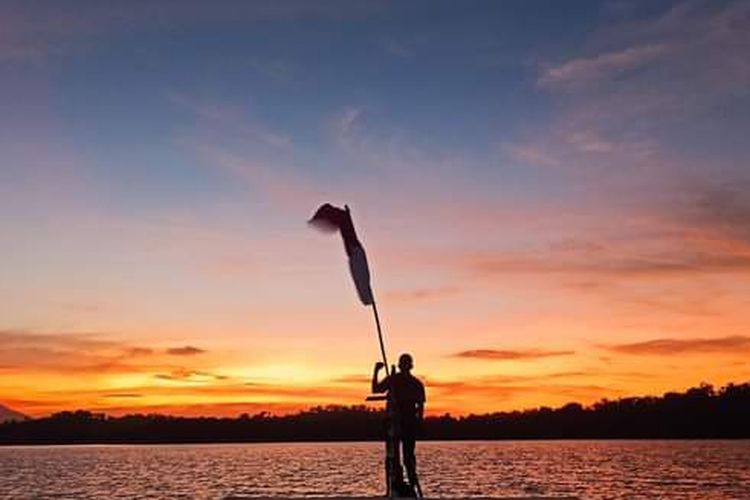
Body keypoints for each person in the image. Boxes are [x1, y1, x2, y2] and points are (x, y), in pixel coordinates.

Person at [372, 353, 426, 495]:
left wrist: (376, 371)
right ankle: (395, 486)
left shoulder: (412, 383)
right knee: (396, 457)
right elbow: (420, 410)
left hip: (404, 424)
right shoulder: (399, 380)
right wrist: (376, 371)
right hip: (398, 424)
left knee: (405, 457)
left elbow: (420, 407)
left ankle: (409, 484)